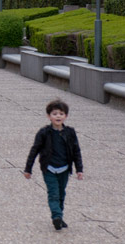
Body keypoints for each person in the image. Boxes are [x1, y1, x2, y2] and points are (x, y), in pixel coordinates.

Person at [24, 99, 84, 231]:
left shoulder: (70, 132)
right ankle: (56, 216)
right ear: (49, 116)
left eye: (61, 114)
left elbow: (76, 151)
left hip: (64, 168)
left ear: (66, 116)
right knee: (53, 194)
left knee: (61, 194)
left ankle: (60, 217)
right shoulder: (44, 132)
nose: (58, 116)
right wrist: (28, 169)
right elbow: (34, 150)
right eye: (55, 113)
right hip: (49, 168)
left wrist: (79, 169)